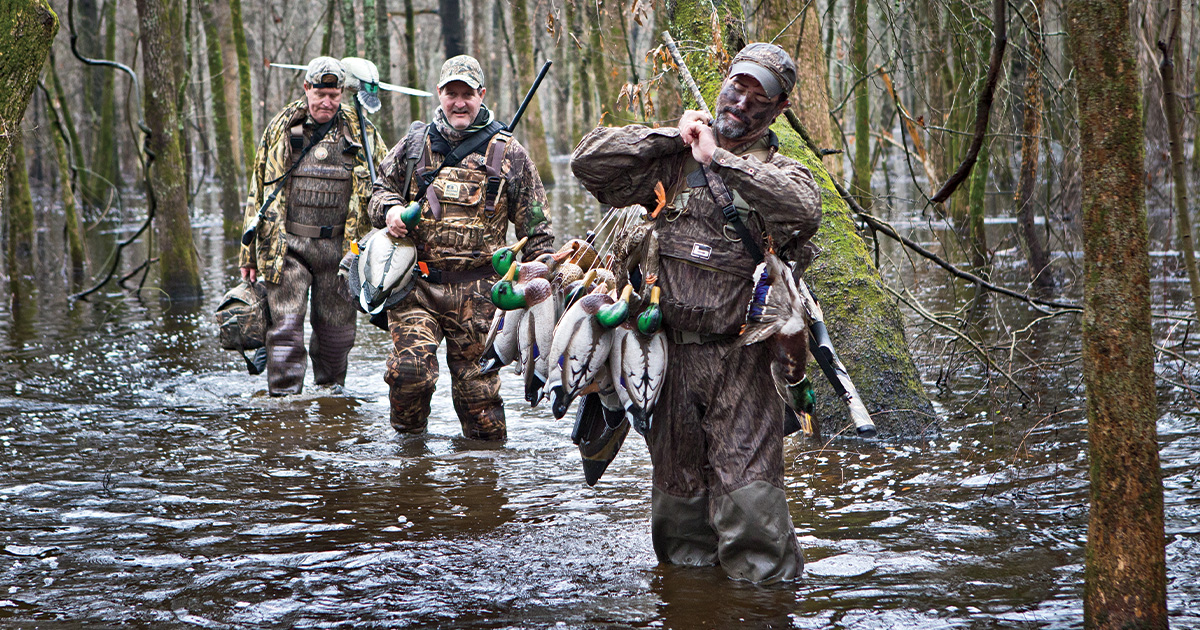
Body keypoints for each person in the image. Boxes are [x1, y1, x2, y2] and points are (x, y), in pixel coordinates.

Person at [570, 43, 821, 583]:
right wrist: (669, 135)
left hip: (745, 360)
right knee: (679, 519)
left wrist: (720, 161)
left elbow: (802, 211)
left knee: (753, 517)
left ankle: (762, 611)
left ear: (778, 111)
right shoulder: (669, 159)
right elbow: (587, 162)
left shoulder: (783, 171)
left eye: (760, 98)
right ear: (722, 85)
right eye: (738, 87)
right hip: (669, 358)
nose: (742, 103)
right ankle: (691, 608)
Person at [368, 55, 555, 441]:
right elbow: (377, 193)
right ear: (439, 94)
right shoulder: (414, 145)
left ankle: (482, 484)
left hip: (480, 295)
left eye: (467, 94)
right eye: (451, 94)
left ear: (481, 95)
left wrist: (542, 285)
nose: (458, 102)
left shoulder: (510, 154)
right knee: (410, 374)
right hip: (414, 286)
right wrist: (390, 211)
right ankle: (408, 459)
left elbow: (538, 235)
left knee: (481, 411)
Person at [239, 56, 388, 396]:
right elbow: (257, 188)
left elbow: (386, 185)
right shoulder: (282, 127)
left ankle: (330, 401)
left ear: (342, 93)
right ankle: (284, 406)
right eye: (320, 93)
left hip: (342, 251)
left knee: (337, 337)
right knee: (285, 332)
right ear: (306, 89)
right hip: (289, 248)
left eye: (334, 95)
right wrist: (248, 254)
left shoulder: (360, 130)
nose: (327, 102)